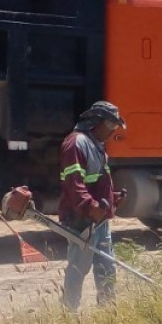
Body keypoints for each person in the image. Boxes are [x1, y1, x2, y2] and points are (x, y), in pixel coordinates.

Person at [59, 100, 127, 312]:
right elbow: (74, 184)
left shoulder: (97, 145)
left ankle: (108, 313)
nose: (113, 131)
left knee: (107, 268)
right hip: (82, 220)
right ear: (95, 121)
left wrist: (112, 198)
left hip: (100, 220)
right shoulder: (76, 143)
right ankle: (69, 314)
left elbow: (96, 182)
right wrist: (90, 207)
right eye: (110, 125)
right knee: (78, 268)